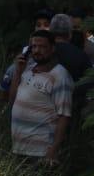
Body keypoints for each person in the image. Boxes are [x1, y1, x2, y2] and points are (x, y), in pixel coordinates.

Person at [9, 29, 73, 165]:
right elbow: (12, 100)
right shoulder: (26, 70)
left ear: (52, 48)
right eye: (34, 47)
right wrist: (18, 72)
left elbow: (64, 116)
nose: (37, 50)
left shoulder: (60, 76)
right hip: (19, 146)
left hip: (41, 151)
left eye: (42, 47)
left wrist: (53, 150)